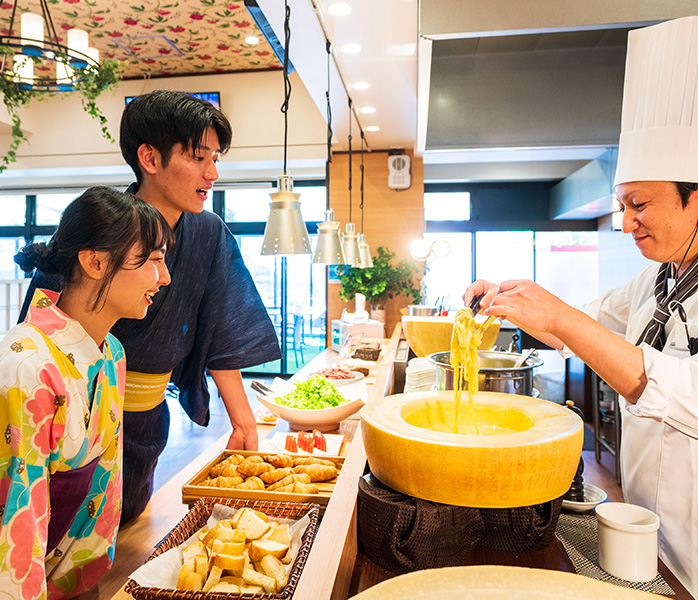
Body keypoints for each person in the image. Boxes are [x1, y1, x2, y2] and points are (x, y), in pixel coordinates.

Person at [465, 17, 698, 596]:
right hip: (644, 528)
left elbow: (674, 390)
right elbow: (579, 326)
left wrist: (560, 317)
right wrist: (510, 300)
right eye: (622, 205)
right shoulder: (657, 281)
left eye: (639, 204)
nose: (626, 223)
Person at [18, 90, 281, 524]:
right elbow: (40, 334)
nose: (212, 173)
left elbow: (221, 330)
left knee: (127, 528)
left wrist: (244, 422)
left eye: (216, 158)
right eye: (199, 157)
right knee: (57, 537)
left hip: (147, 422)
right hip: (76, 422)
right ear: (150, 158)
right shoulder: (100, 224)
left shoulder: (208, 233)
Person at [0, 187, 173, 599]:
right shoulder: (27, 365)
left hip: (72, 579)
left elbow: (106, 486)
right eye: (151, 260)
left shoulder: (111, 353)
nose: (164, 277)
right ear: (95, 262)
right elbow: (14, 519)